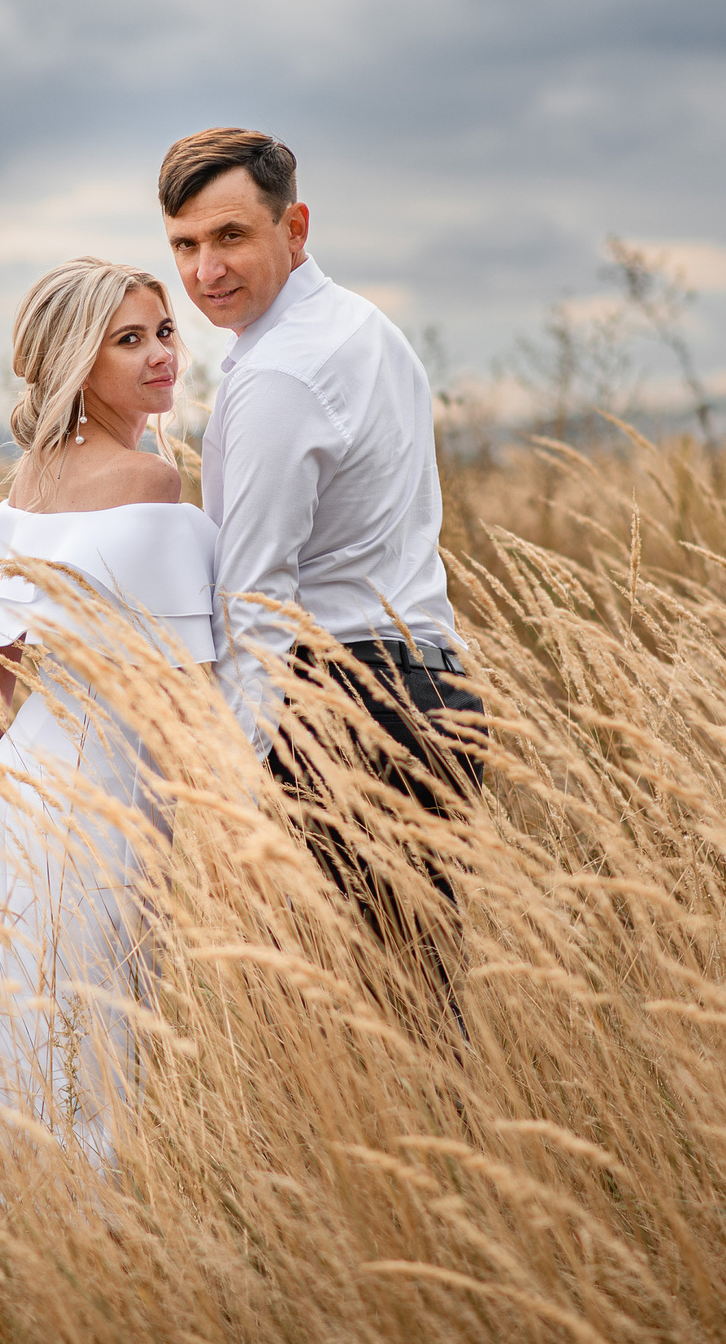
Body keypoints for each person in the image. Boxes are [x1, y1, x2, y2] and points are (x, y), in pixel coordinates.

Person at [0, 256, 217, 1178]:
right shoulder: (146, 482)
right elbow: (178, 688)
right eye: (129, 340)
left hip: (19, 787)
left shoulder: (35, 476)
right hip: (103, 789)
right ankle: (88, 1243)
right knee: (95, 1025)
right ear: (81, 363)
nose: (161, 354)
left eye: (163, 331)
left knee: (13, 1015)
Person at [157, 127, 482, 970]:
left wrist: (236, 792)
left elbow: (256, 599)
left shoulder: (280, 374)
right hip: (434, 690)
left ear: (294, 228)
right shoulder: (364, 328)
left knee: (351, 1030)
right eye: (185, 245)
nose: (205, 271)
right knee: (419, 1010)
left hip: (345, 709)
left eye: (231, 236)